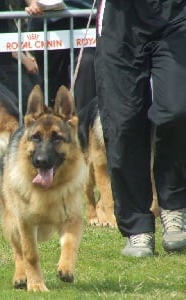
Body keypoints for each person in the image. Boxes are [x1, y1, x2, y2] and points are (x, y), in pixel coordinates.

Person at [95, 0, 186, 257]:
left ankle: (175, 206)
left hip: (174, 13)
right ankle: (137, 227)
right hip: (119, 18)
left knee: (178, 110)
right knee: (123, 124)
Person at [24, 0, 97, 109]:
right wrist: (32, 2)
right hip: (47, 20)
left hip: (88, 18)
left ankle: (83, 123)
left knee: (86, 65)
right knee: (53, 86)